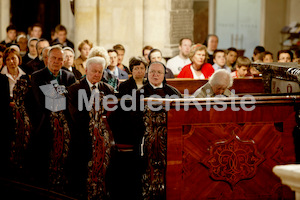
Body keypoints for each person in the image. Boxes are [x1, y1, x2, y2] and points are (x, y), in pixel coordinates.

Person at [67, 56, 114, 199]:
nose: (97, 75)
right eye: (94, 71)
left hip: (103, 135)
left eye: (100, 72)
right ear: (86, 70)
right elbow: (76, 116)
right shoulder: (75, 89)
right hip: (82, 135)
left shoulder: (108, 89)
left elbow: (113, 115)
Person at [30, 45, 76, 187]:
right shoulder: (38, 76)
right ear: (47, 59)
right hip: (45, 122)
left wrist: (56, 94)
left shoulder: (69, 77)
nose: (57, 61)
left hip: (67, 124)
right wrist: (62, 95)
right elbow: (44, 102)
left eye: (60, 59)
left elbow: (72, 103)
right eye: (54, 58)